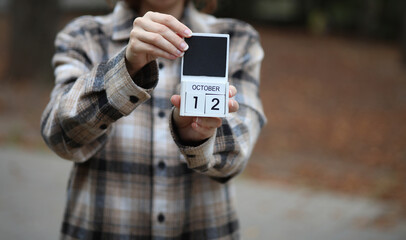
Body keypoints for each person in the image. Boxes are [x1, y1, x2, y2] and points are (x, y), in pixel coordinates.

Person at [40, 0, 266, 239]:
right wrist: (125, 69)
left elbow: (236, 154)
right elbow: (58, 134)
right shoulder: (84, 35)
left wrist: (199, 136)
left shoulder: (237, 37)